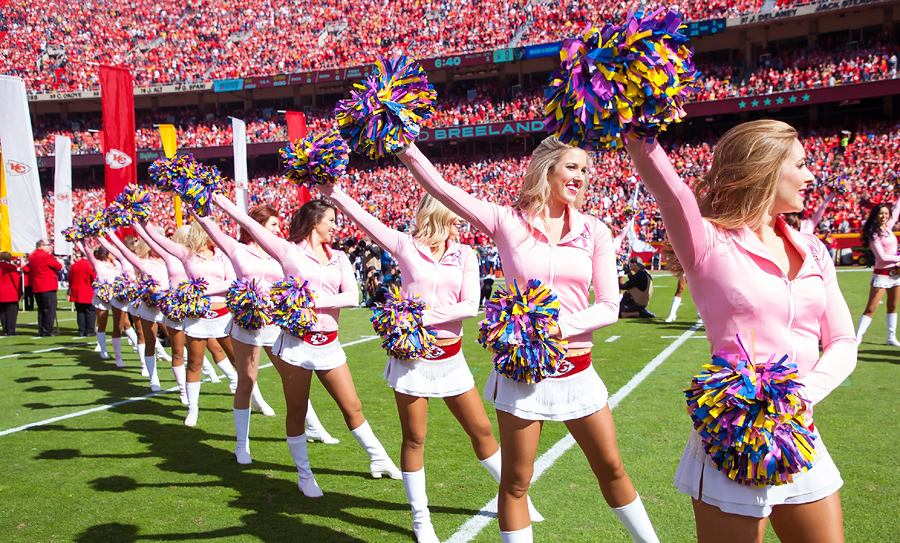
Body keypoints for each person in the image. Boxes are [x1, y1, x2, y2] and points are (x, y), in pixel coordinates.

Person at [399, 138, 658, 543]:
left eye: (586, 170)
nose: (581, 177)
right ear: (547, 169)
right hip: (523, 375)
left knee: (612, 468)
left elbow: (609, 305)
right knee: (517, 482)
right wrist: (405, 148)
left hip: (577, 370)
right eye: (572, 167)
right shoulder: (506, 220)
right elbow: (442, 189)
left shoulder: (595, 231)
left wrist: (562, 327)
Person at [626, 119, 856, 543]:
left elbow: (843, 341)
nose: (810, 176)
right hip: (732, 437)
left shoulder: (814, 250)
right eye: (801, 165)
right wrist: (635, 124)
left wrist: (798, 398)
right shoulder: (708, 242)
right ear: (765, 169)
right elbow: (670, 190)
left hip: (799, 433)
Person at [323, 185, 544, 542]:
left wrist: (415, 318)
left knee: (482, 431)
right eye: (455, 217)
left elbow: (469, 306)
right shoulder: (405, 246)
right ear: (440, 214)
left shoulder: (466, 256)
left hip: (451, 357)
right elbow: (363, 221)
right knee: (415, 438)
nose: (461, 223)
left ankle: (519, 498)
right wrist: (331, 192)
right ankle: (420, 518)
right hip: (412, 361)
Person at [213, 194, 401, 498]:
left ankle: (378, 458)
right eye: (331, 221)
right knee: (297, 409)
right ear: (315, 221)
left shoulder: (340, 257)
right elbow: (247, 223)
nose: (335, 227)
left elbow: (352, 297)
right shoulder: (288, 252)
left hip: (329, 344)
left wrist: (312, 302)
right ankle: (304, 475)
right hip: (296, 345)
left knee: (352, 406)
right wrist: (214, 198)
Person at [195, 205, 339, 465]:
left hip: (275, 323)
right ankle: (242, 445)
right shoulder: (238, 249)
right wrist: (196, 201)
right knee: (246, 381)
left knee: (292, 378)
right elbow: (211, 229)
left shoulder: (279, 250)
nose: (278, 229)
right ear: (257, 225)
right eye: (273, 224)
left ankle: (316, 428)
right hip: (246, 323)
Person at [141, 220, 240, 426]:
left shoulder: (223, 254)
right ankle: (192, 409)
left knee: (236, 359)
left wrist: (203, 291)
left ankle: (255, 398)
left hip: (222, 314)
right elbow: (157, 239)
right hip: (197, 317)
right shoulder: (186, 254)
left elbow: (231, 282)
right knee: (194, 362)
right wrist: (139, 221)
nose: (217, 234)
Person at [104, 231, 174, 392]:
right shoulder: (142, 262)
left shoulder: (169, 259)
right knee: (146, 339)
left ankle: (201, 371)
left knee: (176, 341)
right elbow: (118, 249)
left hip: (167, 306)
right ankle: (152, 376)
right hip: (148, 305)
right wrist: (106, 232)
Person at [854, 200, 900, 345]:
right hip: (882, 274)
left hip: (895, 273)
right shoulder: (874, 234)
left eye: (886, 213)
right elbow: (881, 257)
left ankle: (891, 337)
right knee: (871, 308)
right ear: (875, 215)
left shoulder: (889, 228)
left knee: (893, 306)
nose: (884, 216)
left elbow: (897, 209)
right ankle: (857, 337)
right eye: (881, 213)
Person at [27, 239, 62, 336]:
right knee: (49, 309)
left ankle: (42, 330)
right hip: (47, 285)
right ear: (41, 246)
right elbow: (58, 266)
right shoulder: (46, 256)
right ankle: (47, 330)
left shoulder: (32, 256)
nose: (50, 246)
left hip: (37, 285)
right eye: (48, 245)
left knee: (41, 310)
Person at [67, 247, 96, 337]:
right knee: (90, 312)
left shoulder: (74, 265)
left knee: (80, 312)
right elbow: (94, 279)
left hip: (77, 292)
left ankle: (81, 330)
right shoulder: (90, 265)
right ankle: (90, 330)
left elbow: (69, 278)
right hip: (88, 291)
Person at [0, 251, 22, 335]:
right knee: (11, 313)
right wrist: (20, 292)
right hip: (10, 293)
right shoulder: (11, 267)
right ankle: (11, 330)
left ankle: (5, 330)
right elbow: (16, 281)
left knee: (2, 313)